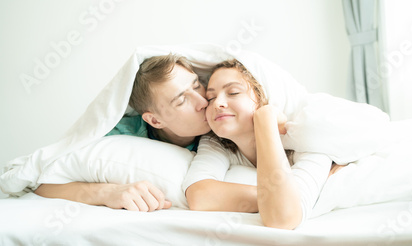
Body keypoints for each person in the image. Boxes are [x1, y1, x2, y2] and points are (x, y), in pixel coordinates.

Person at [35, 54, 211, 212]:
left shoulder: (224, 117)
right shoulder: (119, 136)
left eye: (196, 85)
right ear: (155, 121)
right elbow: (44, 185)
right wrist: (107, 193)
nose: (203, 101)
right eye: (181, 101)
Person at [183, 59, 342, 230]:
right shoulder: (216, 142)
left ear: (263, 98)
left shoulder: (305, 142)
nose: (217, 103)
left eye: (233, 92)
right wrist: (272, 196)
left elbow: (282, 218)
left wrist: (265, 118)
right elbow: (199, 196)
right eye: (211, 97)